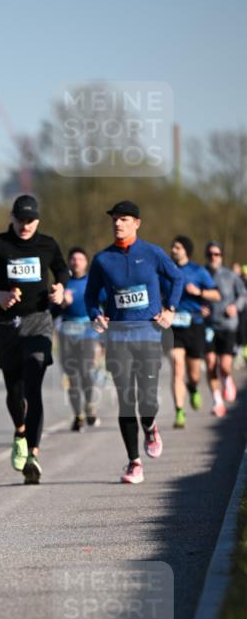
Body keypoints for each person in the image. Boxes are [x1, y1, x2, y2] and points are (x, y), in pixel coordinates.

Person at [0, 194, 67, 484]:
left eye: (30, 220)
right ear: (12, 217)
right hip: (8, 324)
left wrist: (60, 287)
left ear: (37, 220)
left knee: (33, 384)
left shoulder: (47, 244)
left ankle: (33, 454)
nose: (25, 226)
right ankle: (20, 432)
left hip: (38, 321)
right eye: (20, 220)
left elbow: (61, 268)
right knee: (16, 391)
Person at [85, 201, 183, 485]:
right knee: (126, 400)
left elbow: (176, 278)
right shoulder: (103, 259)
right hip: (118, 338)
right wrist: (95, 315)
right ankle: (134, 462)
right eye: (115, 219)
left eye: (124, 219)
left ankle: (150, 426)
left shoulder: (152, 253)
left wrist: (171, 310)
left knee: (147, 399)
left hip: (149, 336)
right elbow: (91, 296)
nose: (118, 224)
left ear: (136, 223)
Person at [167, 236, 219, 428]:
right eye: (173, 246)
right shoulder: (167, 271)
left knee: (194, 373)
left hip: (195, 325)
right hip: (173, 326)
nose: (173, 249)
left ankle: (194, 387)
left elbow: (216, 294)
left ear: (186, 250)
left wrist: (199, 293)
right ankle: (179, 412)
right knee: (177, 366)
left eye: (177, 247)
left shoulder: (198, 271)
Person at [56, 246, 102, 431]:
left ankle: (90, 404)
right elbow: (51, 310)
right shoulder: (62, 283)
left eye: (80, 259)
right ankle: (78, 415)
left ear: (86, 262)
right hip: (67, 333)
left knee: (86, 373)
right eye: (73, 259)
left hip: (87, 333)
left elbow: (105, 303)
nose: (76, 262)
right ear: (69, 262)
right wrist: (61, 303)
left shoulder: (93, 282)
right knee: (72, 377)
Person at [203, 241, 245, 417]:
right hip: (208, 327)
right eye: (211, 254)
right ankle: (217, 401)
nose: (214, 257)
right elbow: (192, 295)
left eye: (217, 254)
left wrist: (236, 306)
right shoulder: (201, 274)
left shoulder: (230, 275)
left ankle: (227, 379)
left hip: (228, 325)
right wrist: (199, 308)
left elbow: (243, 294)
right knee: (211, 364)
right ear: (207, 256)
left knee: (225, 366)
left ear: (221, 256)